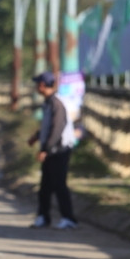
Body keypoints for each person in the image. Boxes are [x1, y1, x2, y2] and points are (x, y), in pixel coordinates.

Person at [27, 71, 78, 230]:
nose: (36, 87)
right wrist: (36, 136)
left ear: (42, 85)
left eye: (37, 84)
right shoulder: (48, 103)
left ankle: (68, 218)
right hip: (52, 150)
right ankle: (43, 217)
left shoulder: (57, 104)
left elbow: (57, 129)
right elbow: (47, 126)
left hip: (59, 150)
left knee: (59, 185)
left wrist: (46, 149)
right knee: (45, 187)